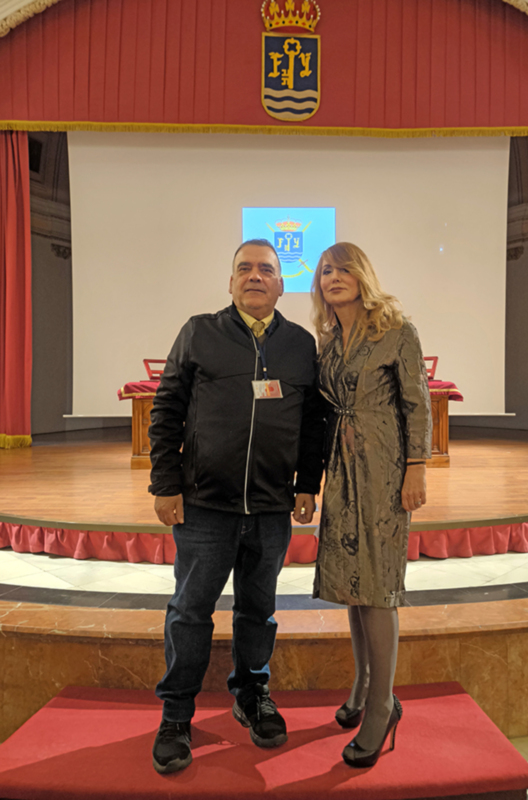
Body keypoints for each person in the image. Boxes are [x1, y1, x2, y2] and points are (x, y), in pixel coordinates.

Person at [148, 239, 323, 774]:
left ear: (281, 284)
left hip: (271, 508)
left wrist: (307, 484)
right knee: (190, 612)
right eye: (244, 268)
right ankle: (176, 715)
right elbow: (167, 408)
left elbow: (312, 423)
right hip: (205, 505)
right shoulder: (199, 332)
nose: (254, 276)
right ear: (230, 282)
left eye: (265, 269)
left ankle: (251, 695)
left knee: (258, 611)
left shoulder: (300, 344)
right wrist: (165, 483)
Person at [311, 242, 432, 768]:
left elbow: (417, 403)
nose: (333, 277)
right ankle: (362, 684)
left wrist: (417, 466)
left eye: (343, 268)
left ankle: (384, 703)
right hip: (341, 472)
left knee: (378, 584)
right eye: (325, 271)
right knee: (353, 582)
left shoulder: (396, 330)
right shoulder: (329, 342)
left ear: (362, 275)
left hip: (384, 469)